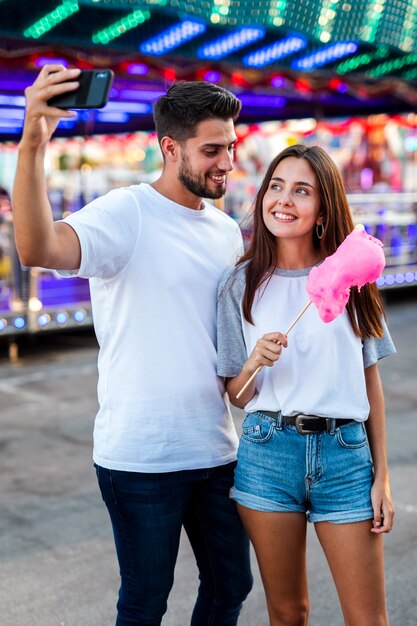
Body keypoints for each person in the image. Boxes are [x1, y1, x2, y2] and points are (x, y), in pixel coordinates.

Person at [12, 65, 252, 626]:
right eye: (213, 149)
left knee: (230, 587)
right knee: (145, 601)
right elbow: (37, 247)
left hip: (217, 451)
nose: (228, 162)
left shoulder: (223, 230)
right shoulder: (127, 213)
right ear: (171, 148)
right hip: (142, 458)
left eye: (231, 147)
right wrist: (32, 146)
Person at [217, 144, 396, 626]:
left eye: (302, 190)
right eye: (276, 186)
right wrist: (255, 361)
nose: (284, 200)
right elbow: (235, 396)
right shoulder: (240, 284)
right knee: (288, 613)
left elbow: (369, 386)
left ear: (324, 208)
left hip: (345, 456)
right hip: (267, 453)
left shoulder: (354, 279)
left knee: (367, 619)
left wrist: (382, 477)